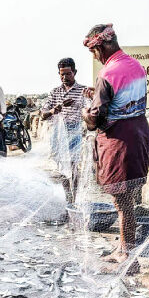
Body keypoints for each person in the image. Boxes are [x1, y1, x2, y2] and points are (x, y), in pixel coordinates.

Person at [82, 24, 149, 266]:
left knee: (122, 203)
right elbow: (126, 98)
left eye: (94, 51)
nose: (95, 56)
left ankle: (126, 253)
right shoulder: (135, 66)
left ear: (101, 47)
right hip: (140, 135)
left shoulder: (107, 73)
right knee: (128, 199)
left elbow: (96, 118)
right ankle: (125, 245)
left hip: (119, 142)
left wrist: (84, 112)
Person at [41, 57, 89, 201]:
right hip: (58, 133)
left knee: (73, 167)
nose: (65, 77)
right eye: (62, 74)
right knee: (62, 168)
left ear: (74, 72)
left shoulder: (82, 91)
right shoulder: (55, 92)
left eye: (68, 74)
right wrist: (55, 110)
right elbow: (43, 114)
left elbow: (89, 109)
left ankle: (75, 199)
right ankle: (67, 199)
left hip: (74, 131)